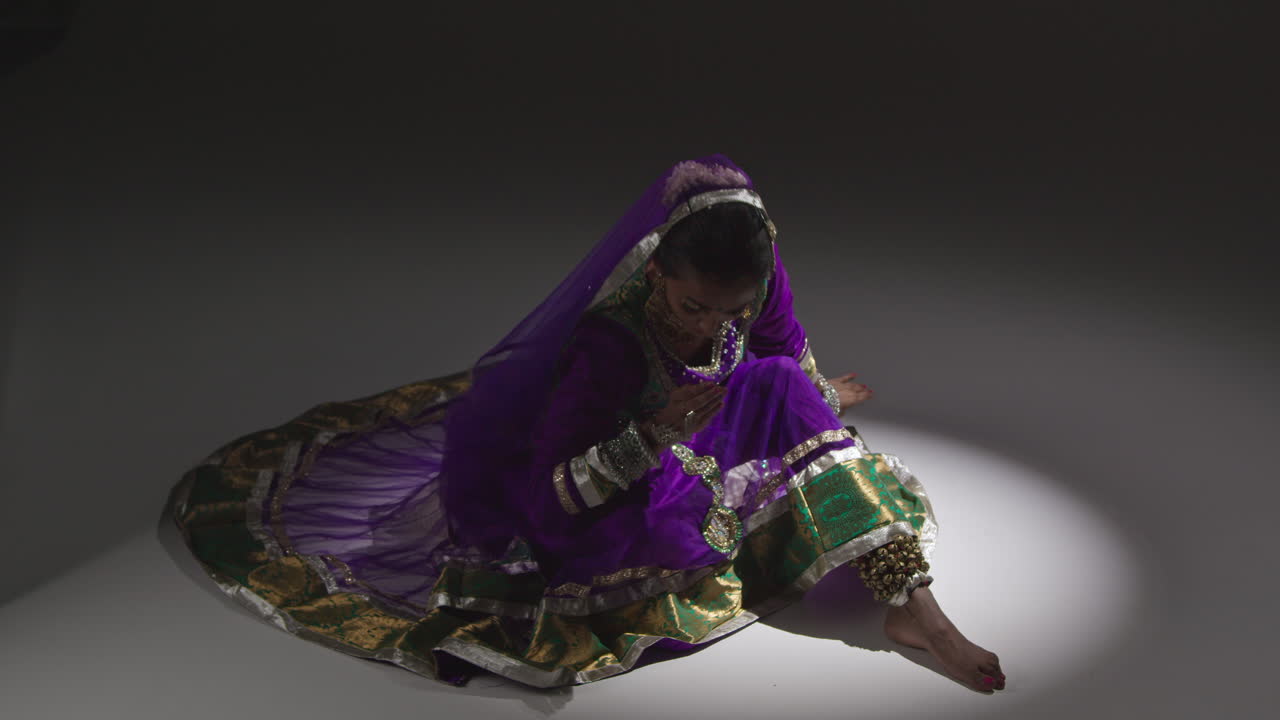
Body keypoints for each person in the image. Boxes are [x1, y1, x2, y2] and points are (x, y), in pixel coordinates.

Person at [172, 154, 1005, 692]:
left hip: (698, 432)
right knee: (784, 413)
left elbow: (780, 340)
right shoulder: (610, 344)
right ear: (659, 276)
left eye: (727, 309)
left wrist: (812, 397)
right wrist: (647, 437)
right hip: (614, 477)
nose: (702, 323)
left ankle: (918, 612)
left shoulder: (754, 275)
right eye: (688, 305)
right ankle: (878, 579)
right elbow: (547, 502)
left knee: (790, 383)